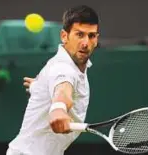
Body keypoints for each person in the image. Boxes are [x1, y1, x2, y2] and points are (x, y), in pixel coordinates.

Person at [6, 5, 99, 155]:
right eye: (79, 35)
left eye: (91, 36)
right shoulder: (63, 67)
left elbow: (56, 84)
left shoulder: (71, 66)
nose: (85, 43)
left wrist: (38, 87)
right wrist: (59, 108)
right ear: (64, 36)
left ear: (96, 38)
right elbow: (63, 89)